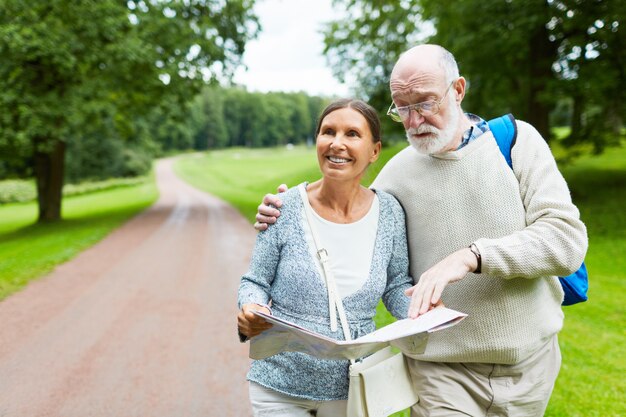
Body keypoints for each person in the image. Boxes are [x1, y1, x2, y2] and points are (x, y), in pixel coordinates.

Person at [254, 44, 588, 417]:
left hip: (532, 365)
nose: (414, 121)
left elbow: (566, 241)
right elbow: (344, 214)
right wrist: (286, 208)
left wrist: (472, 256)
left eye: (425, 103)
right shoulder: (397, 175)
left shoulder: (516, 142)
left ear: (458, 89)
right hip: (441, 371)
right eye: (403, 107)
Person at [237, 98, 414, 417]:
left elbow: (396, 284)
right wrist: (252, 308)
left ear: (374, 150)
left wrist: (420, 314)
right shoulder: (283, 208)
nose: (337, 143)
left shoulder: (389, 213)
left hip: (352, 388)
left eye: (352, 134)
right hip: (278, 385)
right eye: (328, 131)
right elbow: (255, 282)